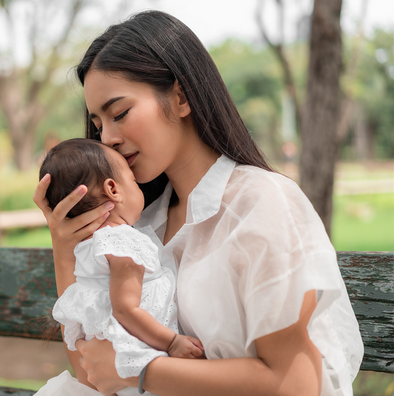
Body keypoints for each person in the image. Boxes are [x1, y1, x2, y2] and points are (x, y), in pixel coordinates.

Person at [33, 10, 363, 396]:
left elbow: (296, 384)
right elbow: (93, 376)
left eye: (119, 113)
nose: (107, 139)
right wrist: (66, 248)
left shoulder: (260, 204)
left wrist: (144, 372)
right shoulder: (142, 225)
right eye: (98, 124)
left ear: (181, 96)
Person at [35, 138, 204, 396]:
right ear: (113, 189)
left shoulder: (86, 250)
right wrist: (172, 342)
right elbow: (125, 309)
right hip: (137, 363)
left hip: (115, 377)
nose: (139, 186)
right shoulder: (124, 242)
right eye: (133, 181)